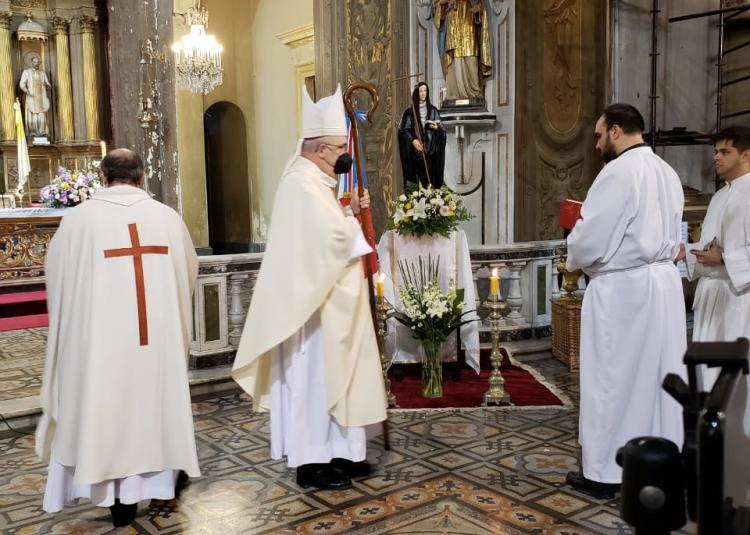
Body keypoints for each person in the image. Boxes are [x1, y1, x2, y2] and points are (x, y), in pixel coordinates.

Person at [232, 84, 388, 491]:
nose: (343, 155)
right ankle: (312, 462)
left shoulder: (314, 182)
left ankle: (343, 453)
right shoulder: (300, 185)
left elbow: (327, 230)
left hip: (330, 307)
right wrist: (351, 222)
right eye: (338, 148)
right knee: (314, 384)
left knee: (337, 379)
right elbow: (332, 241)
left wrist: (348, 209)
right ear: (319, 149)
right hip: (311, 315)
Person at [36, 149, 201, 527]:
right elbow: (188, 273)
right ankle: (162, 482)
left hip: (101, 345)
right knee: (155, 408)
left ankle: (117, 502)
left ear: (102, 175)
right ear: (142, 177)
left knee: (107, 409)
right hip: (155, 339)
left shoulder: (78, 221)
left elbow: (58, 279)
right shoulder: (167, 218)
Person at [564, 104, 687, 499]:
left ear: (616, 131)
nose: (597, 143)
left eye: (599, 135)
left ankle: (605, 472)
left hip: (623, 292)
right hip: (663, 286)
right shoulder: (667, 173)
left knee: (611, 380)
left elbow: (590, 237)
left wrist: (573, 251)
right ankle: (658, 465)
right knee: (657, 380)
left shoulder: (616, 172)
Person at [688, 126, 750, 397]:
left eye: (725, 151)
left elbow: (723, 253)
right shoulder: (719, 196)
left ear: (746, 155)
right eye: (715, 151)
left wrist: (723, 258)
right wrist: (688, 253)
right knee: (707, 375)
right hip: (712, 296)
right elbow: (708, 245)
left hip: (739, 300)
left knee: (734, 380)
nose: (716, 157)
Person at [433, 0, 492, 101]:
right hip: (453, 23)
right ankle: (454, 94)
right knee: (454, 61)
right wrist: (443, 3)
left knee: (471, 58)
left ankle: (474, 92)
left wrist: (478, 8)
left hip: (468, 21)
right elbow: (437, 5)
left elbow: (480, 4)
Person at [398, 82, 447, 189]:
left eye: (425, 91)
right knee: (416, 185)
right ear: (416, 93)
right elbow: (403, 131)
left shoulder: (433, 111)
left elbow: (443, 131)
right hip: (416, 156)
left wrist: (437, 128)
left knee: (430, 183)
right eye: (421, 91)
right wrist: (412, 140)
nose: (423, 93)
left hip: (431, 155)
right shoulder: (409, 112)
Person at [19, 56, 51, 137]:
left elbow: (48, 83)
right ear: (31, 63)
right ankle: (32, 132)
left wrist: (47, 86)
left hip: (41, 98)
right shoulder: (26, 72)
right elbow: (22, 84)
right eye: (35, 62)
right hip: (31, 97)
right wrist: (26, 91)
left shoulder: (42, 73)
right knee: (32, 114)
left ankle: (42, 132)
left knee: (41, 115)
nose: (37, 64)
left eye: (38, 62)